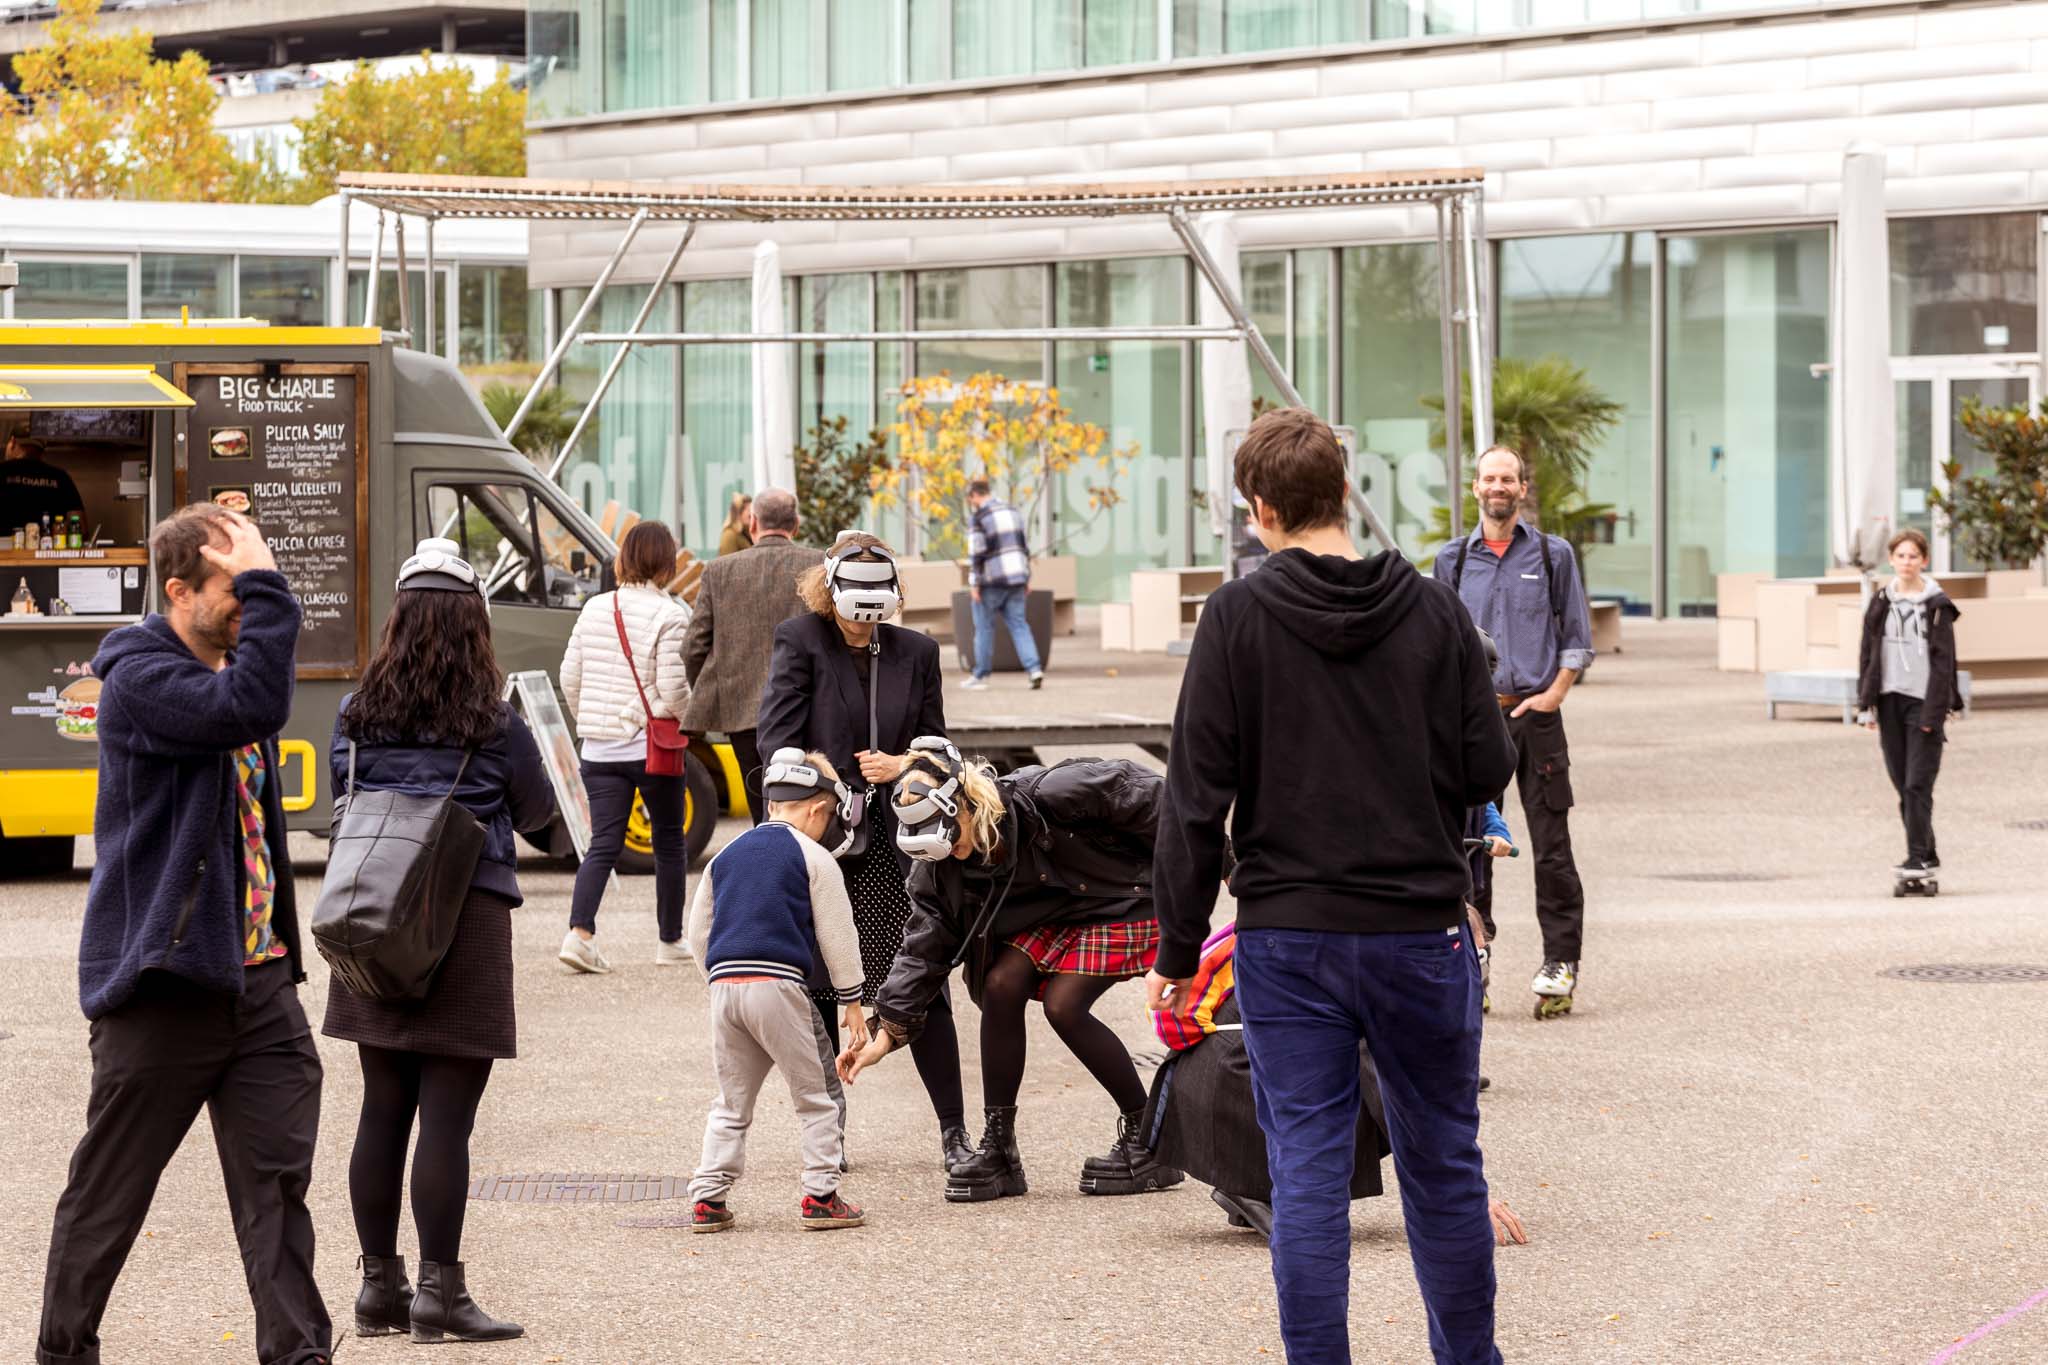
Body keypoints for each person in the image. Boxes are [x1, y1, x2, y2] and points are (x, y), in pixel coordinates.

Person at [1149, 406, 1518, 1365]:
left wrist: (1177, 951)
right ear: (1347, 491)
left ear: (1261, 511)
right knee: (1443, 1168)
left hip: (1290, 938)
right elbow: (1489, 764)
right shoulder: (1436, 610)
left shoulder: (1235, 618)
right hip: (1420, 935)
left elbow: (1193, 797)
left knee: (1306, 1178)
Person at [38, 504, 331, 1365]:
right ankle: (62, 1349)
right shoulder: (139, 679)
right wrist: (274, 590)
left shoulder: (228, 673)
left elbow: (246, 705)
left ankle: (299, 1353)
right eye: (233, 589)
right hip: (164, 983)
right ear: (177, 591)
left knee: (277, 1189)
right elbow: (250, 704)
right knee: (109, 1197)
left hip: (259, 984)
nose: (250, 605)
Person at [325, 537, 555, 1345]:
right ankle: (440, 1294)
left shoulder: (356, 713)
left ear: (398, 620)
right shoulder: (495, 723)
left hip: (373, 919)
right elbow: (539, 819)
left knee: (381, 1106)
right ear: (474, 627)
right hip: (466, 921)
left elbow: (338, 799)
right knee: (446, 1120)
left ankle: (376, 1288)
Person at [839, 740, 1181, 1201]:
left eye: (954, 838)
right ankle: (1000, 1150)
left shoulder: (1051, 795)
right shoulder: (940, 867)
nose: (955, 853)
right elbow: (924, 949)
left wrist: (1218, 862)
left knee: (1065, 1006)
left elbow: (1148, 797)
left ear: (965, 802)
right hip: (1057, 913)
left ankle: (1150, 1142)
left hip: (1124, 897)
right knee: (1000, 983)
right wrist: (888, 1031)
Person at [756, 531, 970, 1173]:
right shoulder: (801, 641)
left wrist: (905, 762)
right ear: (832, 589)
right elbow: (776, 742)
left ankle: (956, 1134)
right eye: (854, 600)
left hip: (903, 844)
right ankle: (829, 1135)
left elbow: (940, 746)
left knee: (924, 984)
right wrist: (827, 782)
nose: (864, 616)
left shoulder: (918, 652)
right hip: (828, 841)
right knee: (821, 986)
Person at [1147, 923, 1527, 1250]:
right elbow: (1385, 1079)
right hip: (1228, 1078)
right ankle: (1253, 1179)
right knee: (1375, 1091)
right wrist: (1460, 1193)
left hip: (1220, 1074)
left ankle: (1259, 1180)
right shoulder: (1371, 960)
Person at [1433, 444, 1596, 1020]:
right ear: (1475, 488)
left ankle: (1560, 962)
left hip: (1537, 718)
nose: (1498, 486)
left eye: (1508, 478)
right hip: (1473, 722)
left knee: (1551, 846)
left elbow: (1577, 634)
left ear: (1522, 488)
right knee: (1471, 844)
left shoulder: (1553, 556)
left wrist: (1553, 694)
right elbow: (1439, 646)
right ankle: (1475, 959)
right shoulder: (1451, 561)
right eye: (1489, 478)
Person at [685, 749, 870, 1233]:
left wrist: (719, 975)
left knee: (731, 1100)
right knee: (816, 1095)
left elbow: (696, 933)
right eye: (827, 817)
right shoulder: (813, 857)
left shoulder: (725, 856)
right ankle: (821, 1194)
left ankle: (708, 1197)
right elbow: (838, 935)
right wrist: (851, 1001)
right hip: (779, 985)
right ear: (815, 808)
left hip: (725, 986)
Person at [558, 520, 693, 971]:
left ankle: (579, 934)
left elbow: (569, 678)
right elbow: (673, 690)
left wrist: (591, 721)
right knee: (669, 841)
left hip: (599, 750)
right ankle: (670, 941)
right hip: (649, 747)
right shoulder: (671, 614)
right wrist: (690, 718)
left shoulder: (595, 607)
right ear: (666, 562)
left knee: (604, 843)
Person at [681, 487, 824, 826]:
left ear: (753, 522)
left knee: (763, 809)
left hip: (743, 711)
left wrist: (713, 691)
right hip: (809, 708)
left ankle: (768, 868)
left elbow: (693, 647)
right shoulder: (819, 564)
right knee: (813, 807)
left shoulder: (718, 571)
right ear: (797, 524)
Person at [1856, 528, 1963, 877]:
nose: (1906, 562)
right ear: (1891, 560)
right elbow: (1867, 654)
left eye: (1913, 556)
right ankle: (1927, 852)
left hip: (1923, 704)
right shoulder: (1881, 602)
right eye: (1900, 556)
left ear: (1924, 561)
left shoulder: (1937, 607)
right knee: (1903, 783)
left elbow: (1945, 662)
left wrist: (1937, 711)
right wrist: (1866, 704)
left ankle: (1916, 856)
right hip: (1889, 701)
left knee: (1918, 782)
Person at [961, 477, 1043, 691]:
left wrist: (974, 583)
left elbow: (976, 553)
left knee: (984, 627)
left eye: (971, 499)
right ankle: (1034, 669)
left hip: (991, 581)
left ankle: (980, 675)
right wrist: (1027, 577)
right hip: (1017, 577)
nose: (972, 504)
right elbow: (1023, 546)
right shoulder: (1012, 511)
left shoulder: (979, 517)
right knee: (1019, 625)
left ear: (974, 495)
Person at [2, 432, 85, 538]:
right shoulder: (60, 477)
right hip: (48, 550)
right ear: (42, 451)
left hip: (4, 551)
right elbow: (81, 528)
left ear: (12, 442)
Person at [717, 491, 754, 558]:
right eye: (747, 509)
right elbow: (726, 564)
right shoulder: (729, 535)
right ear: (737, 513)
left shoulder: (748, 533)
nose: (751, 513)